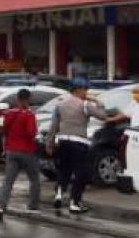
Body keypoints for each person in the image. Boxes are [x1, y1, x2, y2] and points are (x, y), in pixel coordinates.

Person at [46, 78, 112, 215]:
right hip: (79, 142)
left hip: (63, 141)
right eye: (85, 89)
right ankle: (74, 203)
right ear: (79, 90)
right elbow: (103, 116)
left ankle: (58, 194)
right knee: (81, 173)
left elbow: (54, 126)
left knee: (64, 170)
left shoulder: (60, 105)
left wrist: (50, 143)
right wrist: (99, 102)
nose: (87, 92)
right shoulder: (85, 105)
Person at [0, 88, 40, 221]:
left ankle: (1, 206)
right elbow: (31, 133)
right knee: (34, 179)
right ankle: (32, 205)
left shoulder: (9, 113)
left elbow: (4, 130)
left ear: (17, 99)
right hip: (27, 151)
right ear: (28, 99)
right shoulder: (29, 114)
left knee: (8, 181)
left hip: (11, 150)